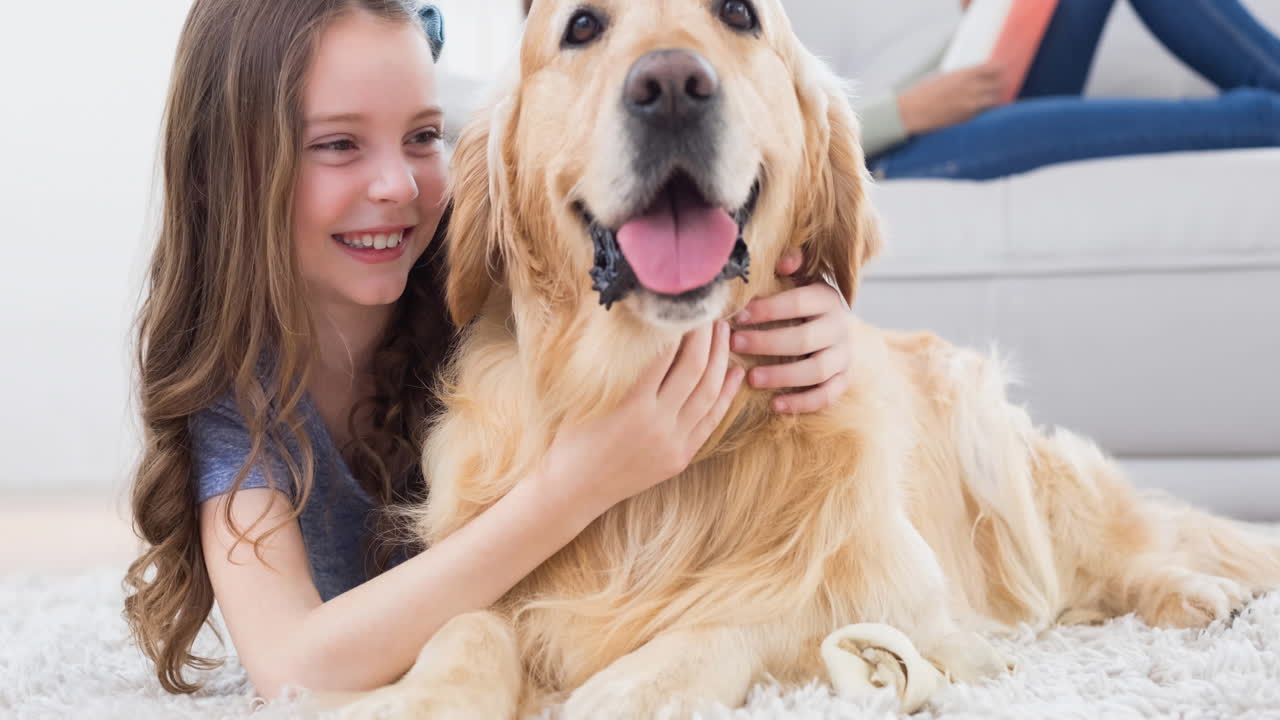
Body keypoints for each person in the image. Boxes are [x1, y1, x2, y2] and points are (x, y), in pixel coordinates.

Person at [123, 0, 856, 698]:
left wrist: (823, 322)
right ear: (222, 175)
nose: (397, 184)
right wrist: (578, 484)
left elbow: (685, 249)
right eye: (338, 144)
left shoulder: (476, 264)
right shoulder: (234, 399)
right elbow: (290, 664)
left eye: (423, 136)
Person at [859, 0, 1280, 180]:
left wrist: (985, 29)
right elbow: (794, 150)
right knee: (1265, 115)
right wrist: (905, 111)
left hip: (925, 110)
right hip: (881, 164)